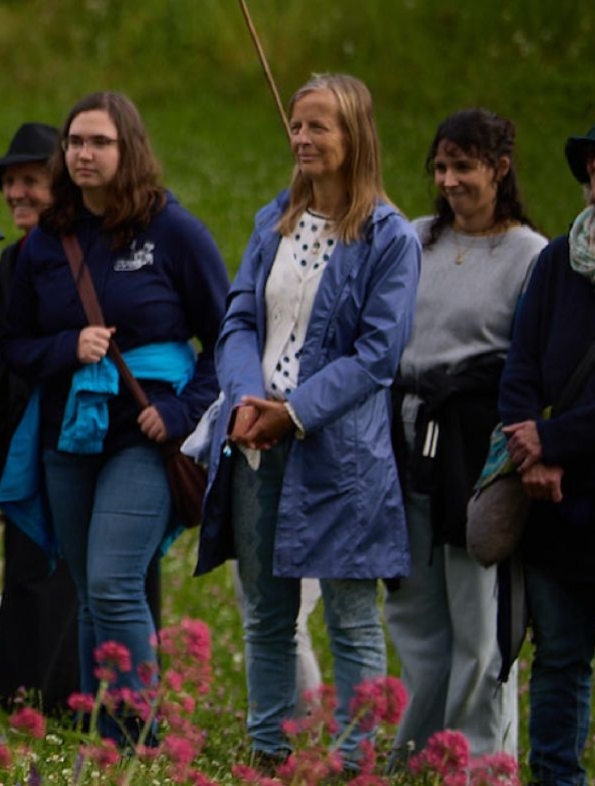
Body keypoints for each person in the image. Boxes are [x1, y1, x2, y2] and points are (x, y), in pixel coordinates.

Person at [199, 73, 419, 764]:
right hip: (255, 441)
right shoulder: (274, 222)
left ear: (355, 137)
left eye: (319, 125)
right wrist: (244, 399)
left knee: (353, 621)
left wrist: (291, 412)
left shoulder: (391, 237)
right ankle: (270, 752)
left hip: (340, 458)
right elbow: (238, 318)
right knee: (268, 615)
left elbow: (377, 356)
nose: (301, 137)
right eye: (297, 124)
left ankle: (354, 763)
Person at [0, 95, 227, 741]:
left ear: (128, 149)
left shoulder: (172, 230)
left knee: (113, 579)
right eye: (74, 141)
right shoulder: (48, 239)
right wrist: (66, 348)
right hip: (70, 430)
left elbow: (227, 334)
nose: (84, 153)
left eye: (99, 141)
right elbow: (14, 345)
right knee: (89, 586)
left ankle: (138, 736)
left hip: (145, 434)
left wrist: (180, 412)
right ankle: (103, 734)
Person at [385, 108, 544, 761]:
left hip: (476, 446)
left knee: (479, 620)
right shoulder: (416, 238)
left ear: (499, 169)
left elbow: (535, 365)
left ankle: (478, 766)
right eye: (441, 167)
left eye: (464, 166)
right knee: (416, 614)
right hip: (407, 436)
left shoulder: (530, 254)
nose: (450, 180)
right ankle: (419, 756)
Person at [501, 101, 595, 786]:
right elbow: (521, 361)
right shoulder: (560, 258)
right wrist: (530, 452)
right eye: (593, 153)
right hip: (555, 494)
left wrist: (557, 438)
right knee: (559, 656)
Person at [0, 121, 81, 712]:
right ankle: (21, 694)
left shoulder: (91, 252)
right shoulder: (13, 261)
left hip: (86, 428)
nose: (16, 193)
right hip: (27, 439)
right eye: (10, 183)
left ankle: (72, 696)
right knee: (30, 565)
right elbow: (2, 374)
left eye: (31, 181)